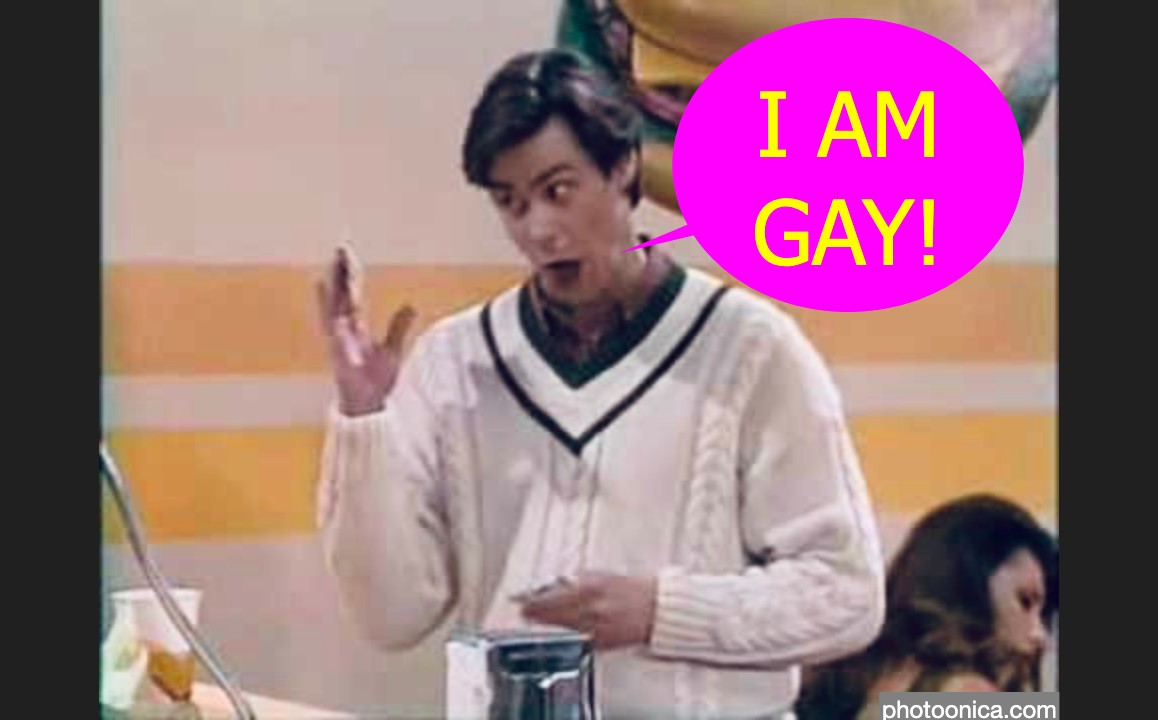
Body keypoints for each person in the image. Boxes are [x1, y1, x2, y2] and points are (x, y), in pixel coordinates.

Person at [313, 47, 885, 719]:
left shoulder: (750, 349)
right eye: (510, 203)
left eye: (558, 191)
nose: (538, 229)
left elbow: (848, 594)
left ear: (622, 170)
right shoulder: (454, 361)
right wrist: (363, 421)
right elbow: (391, 617)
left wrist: (660, 611)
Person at [794, 494, 1059, 720]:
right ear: (969, 586)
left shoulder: (849, 677)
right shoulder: (968, 697)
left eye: (1042, 614)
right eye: (1025, 601)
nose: (1039, 636)